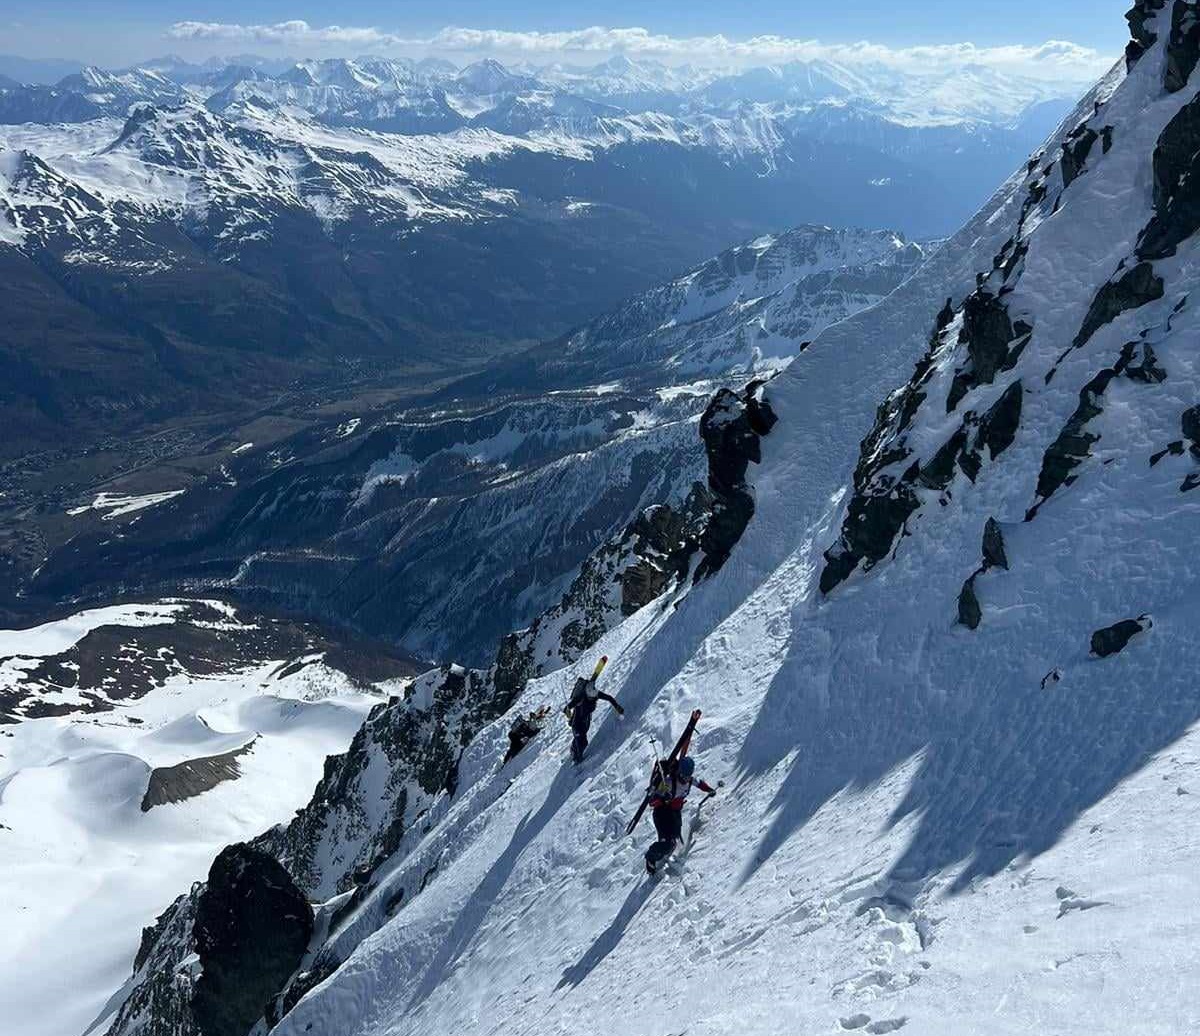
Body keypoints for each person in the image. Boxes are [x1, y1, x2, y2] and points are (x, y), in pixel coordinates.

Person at [644, 754, 716, 874]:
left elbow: (699, 783)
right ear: (679, 772)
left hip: (675, 813)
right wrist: (662, 798)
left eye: (688, 776)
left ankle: (665, 852)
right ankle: (651, 857)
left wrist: (709, 789)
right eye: (683, 775)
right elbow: (651, 802)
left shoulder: (689, 780)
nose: (686, 779)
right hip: (662, 814)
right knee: (667, 843)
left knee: (674, 840)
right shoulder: (668, 782)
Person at [564, 656, 623, 763]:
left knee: (583, 740)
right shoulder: (580, 697)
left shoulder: (594, 692)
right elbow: (566, 708)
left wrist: (617, 707)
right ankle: (577, 756)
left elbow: (608, 697)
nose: (593, 699)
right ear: (587, 694)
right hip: (577, 720)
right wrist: (570, 716)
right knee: (580, 739)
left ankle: (575, 750)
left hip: (585, 718)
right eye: (591, 698)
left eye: (593, 698)